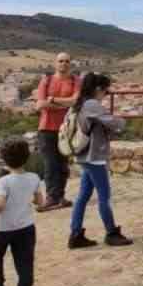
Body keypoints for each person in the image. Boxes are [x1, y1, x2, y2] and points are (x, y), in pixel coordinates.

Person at [68, 72, 133, 249]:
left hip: (84, 155)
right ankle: (111, 232)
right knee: (104, 196)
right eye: (106, 90)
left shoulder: (81, 103)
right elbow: (112, 122)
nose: (106, 94)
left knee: (83, 196)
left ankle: (75, 234)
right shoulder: (91, 104)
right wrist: (123, 122)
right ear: (98, 89)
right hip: (94, 156)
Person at [0, 138, 45, 286]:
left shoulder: (3, 181)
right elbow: (40, 202)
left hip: (3, 229)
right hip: (26, 228)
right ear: (26, 157)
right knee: (25, 261)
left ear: (4, 159)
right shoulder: (34, 178)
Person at [33, 52, 81, 212]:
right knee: (50, 164)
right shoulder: (46, 80)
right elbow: (39, 105)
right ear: (55, 63)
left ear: (70, 63)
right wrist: (64, 105)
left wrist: (52, 100)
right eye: (61, 61)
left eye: (67, 61)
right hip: (46, 128)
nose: (64, 64)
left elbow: (75, 101)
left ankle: (60, 196)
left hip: (67, 129)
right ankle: (51, 197)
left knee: (62, 165)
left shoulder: (75, 80)